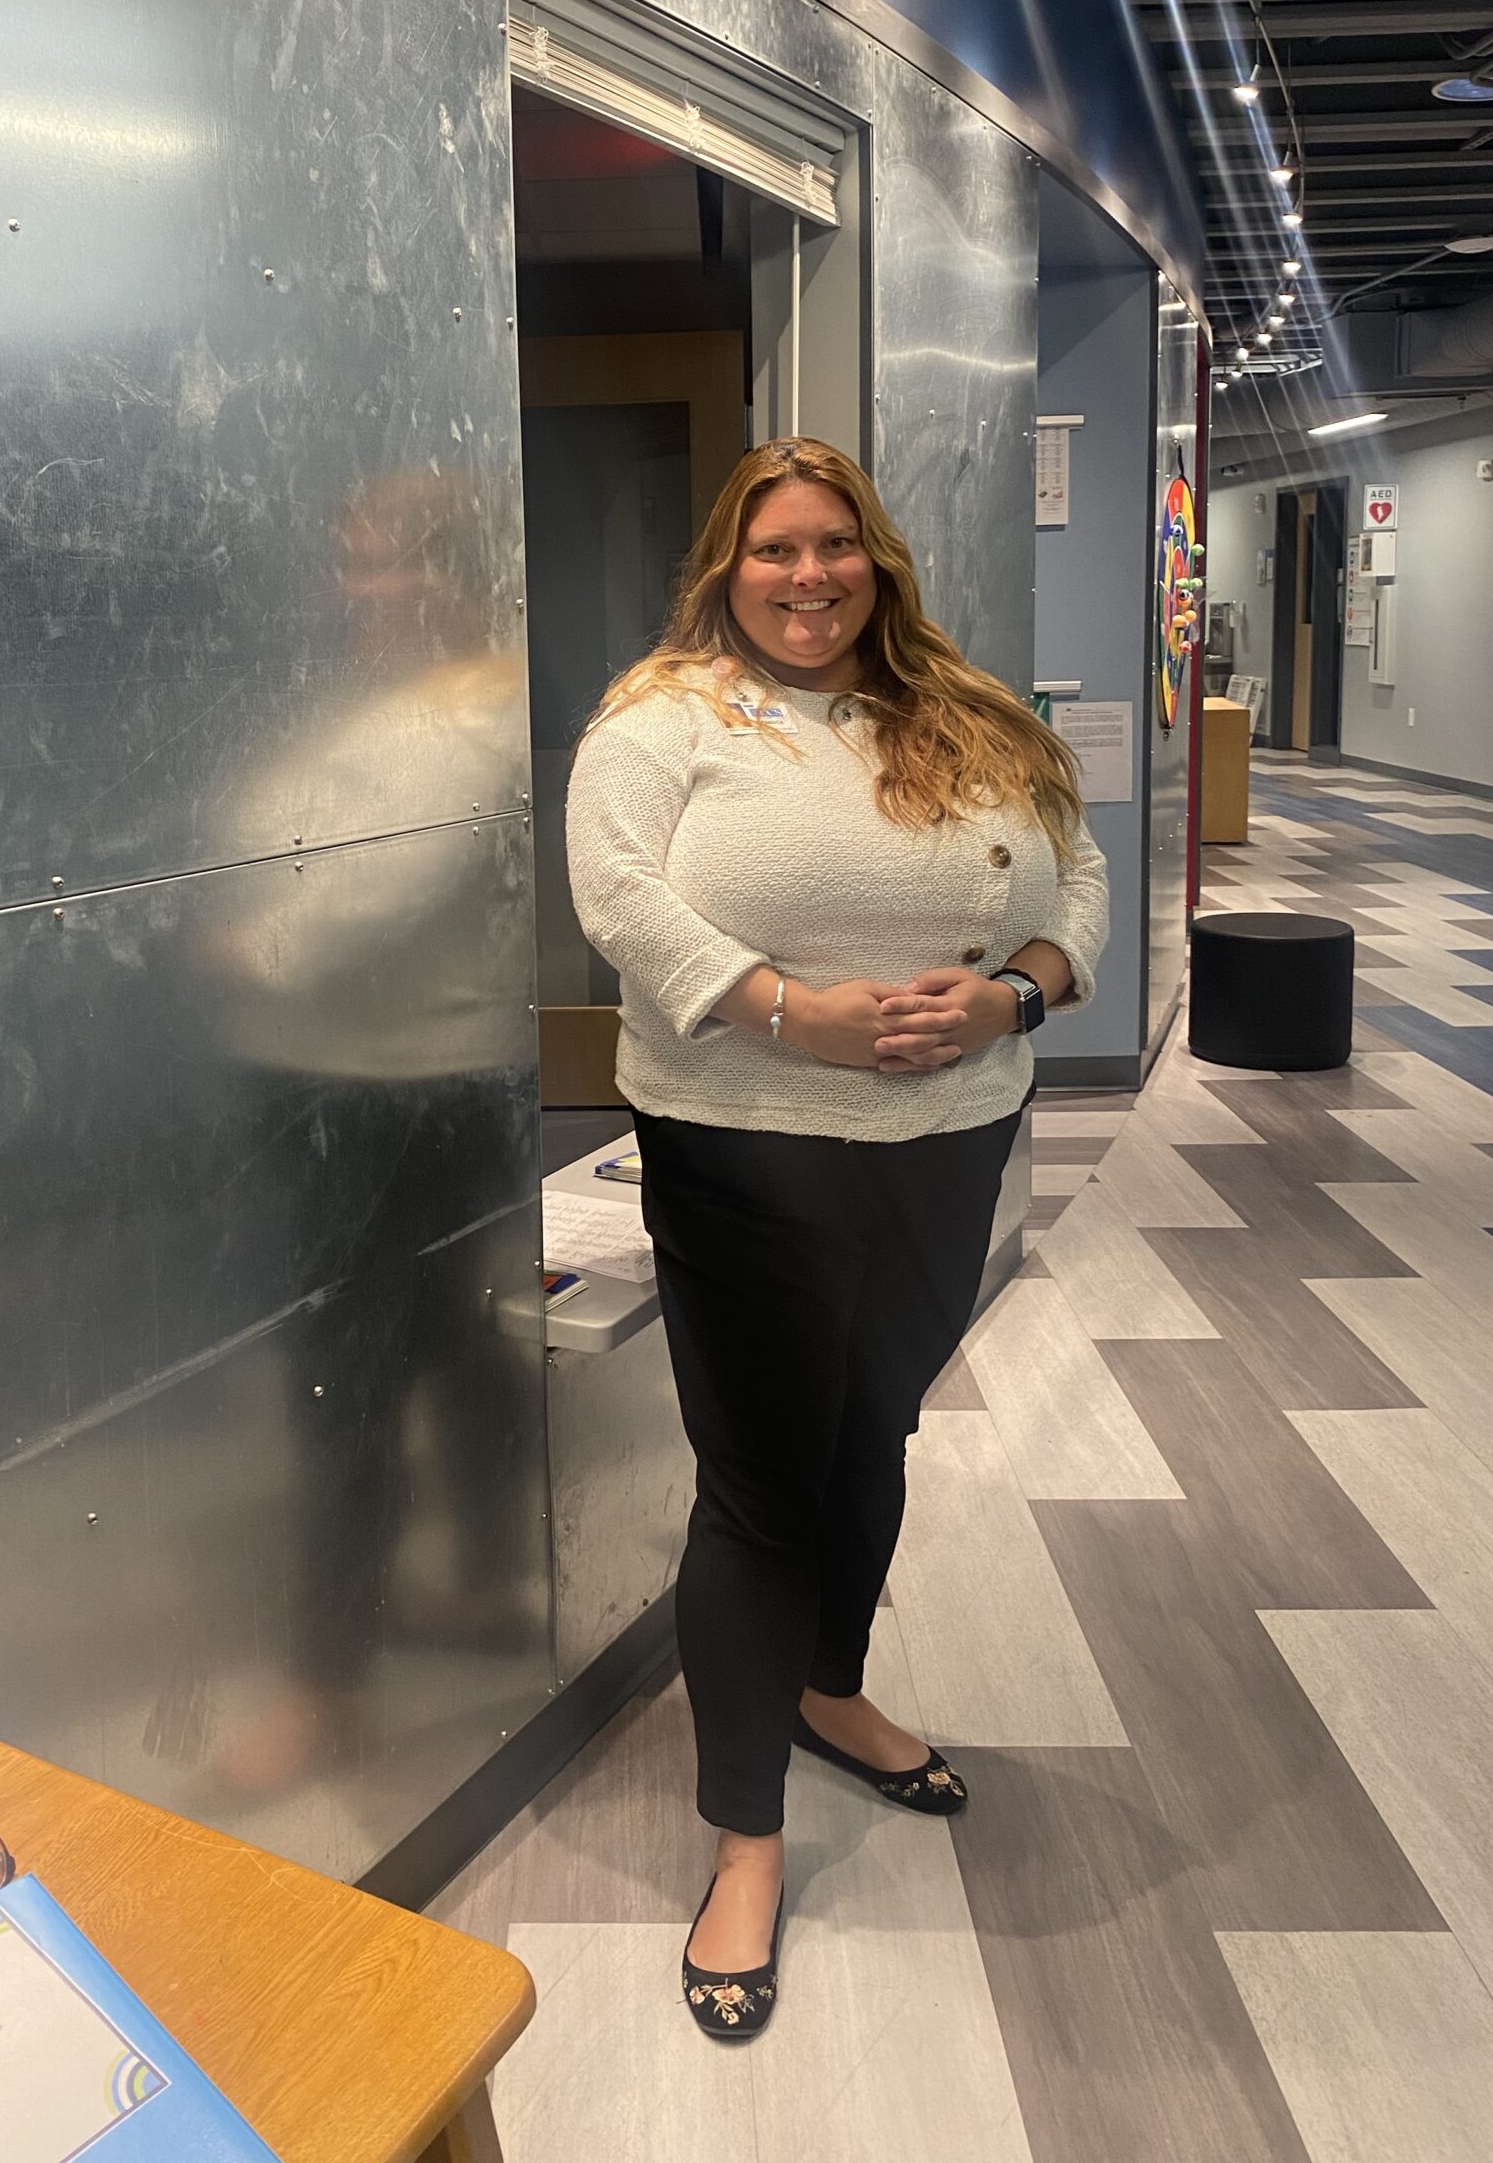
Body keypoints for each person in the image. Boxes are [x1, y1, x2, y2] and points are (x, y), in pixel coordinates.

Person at [566, 437, 1107, 2038]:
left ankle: (825, 1686)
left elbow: (1071, 874)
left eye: (836, 547)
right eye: (773, 551)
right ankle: (745, 1836)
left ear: (880, 558)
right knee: (759, 1488)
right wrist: (783, 1008)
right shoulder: (662, 719)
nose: (808, 578)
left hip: (949, 1143)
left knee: (875, 1436)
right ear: (726, 569)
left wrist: (1016, 992)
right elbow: (616, 895)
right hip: (745, 1148)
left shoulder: (971, 710)